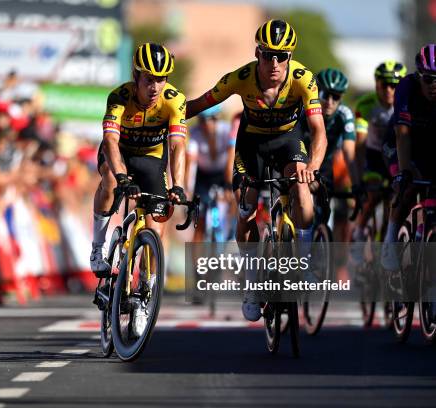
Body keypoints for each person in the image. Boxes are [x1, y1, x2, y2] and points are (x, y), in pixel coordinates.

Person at [187, 19, 327, 321]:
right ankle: (252, 286)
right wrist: (164, 115)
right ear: (257, 53)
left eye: (282, 56)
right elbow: (200, 104)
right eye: (267, 55)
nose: (274, 62)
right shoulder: (241, 78)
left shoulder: (304, 79)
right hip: (253, 144)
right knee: (247, 205)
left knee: (302, 189)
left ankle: (301, 266)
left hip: (289, 141)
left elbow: (318, 130)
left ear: (290, 57)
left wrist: (312, 167)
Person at [90, 42, 188, 276]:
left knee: (156, 228)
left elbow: (177, 146)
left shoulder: (175, 101)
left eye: (161, 79)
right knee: (111, 181)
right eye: (148, 79)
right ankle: (98, 247)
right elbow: (110, 141)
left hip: (151, 159)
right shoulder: (119, 97)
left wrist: (179, 185)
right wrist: (122, 176)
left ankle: (147, 289)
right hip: (120, 155)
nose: (155, 87)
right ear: (135, 76)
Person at [380, 45, 436, 285]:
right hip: (399, 144)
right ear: (419, 76)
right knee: (408, 187)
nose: (434, 85)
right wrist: (404, 173)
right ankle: (390, 239)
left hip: (428, 147)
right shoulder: (407, 87)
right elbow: (402, 135)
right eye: (429, 79)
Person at [349, 60, 407, 267]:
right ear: (376, 84)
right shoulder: (366, 105)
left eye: (395, 85)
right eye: (385, 84)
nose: (390, 90)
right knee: (373, 195)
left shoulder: (406, 103)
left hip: (395, 156)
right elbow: (360, 142)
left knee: (396, 200)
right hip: (372, 156)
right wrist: (359, 173)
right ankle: (358, 234)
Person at [300, 68, 361, 198]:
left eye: (336, 97)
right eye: (325, 95)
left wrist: (356, 185)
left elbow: (349, 153)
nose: (330, 102)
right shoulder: (302, 109)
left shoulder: (344, 114)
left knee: (324, 207)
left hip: (325, 165)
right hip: (299, 161)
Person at [186, 104, 237, 242]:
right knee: (200, 221)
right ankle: (195, 262)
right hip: (203, 176)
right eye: (201, 120)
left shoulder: (226, 130)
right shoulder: (195, 132)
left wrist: (229, 184)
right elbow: (191, 162)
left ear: (216, 119)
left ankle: (231, 233)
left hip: (223, 173)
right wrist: (187, 189)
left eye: (207, 120)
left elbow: (231, 160)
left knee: (234, 198)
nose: (203, 124)